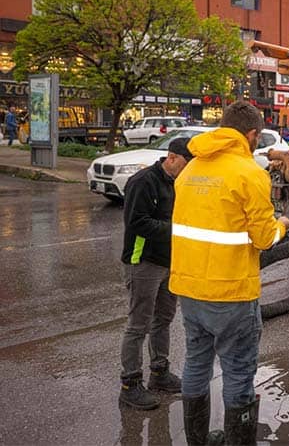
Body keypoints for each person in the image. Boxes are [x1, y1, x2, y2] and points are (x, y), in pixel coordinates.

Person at [169, 101, 289, 445]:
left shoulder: (191, 170)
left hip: (189, 289)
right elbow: (265, 238)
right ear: (252, 135)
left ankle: (198, 440)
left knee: (196, 364)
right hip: (231, 293)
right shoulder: (249, 172)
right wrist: (283, 225)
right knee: (238, 373)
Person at [118, 137, 194, 410]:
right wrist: (177, 229)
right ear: (171, 158)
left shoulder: (179, 183)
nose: (189, 170)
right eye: (186, 164)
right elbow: (137, 223)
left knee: (163, 319)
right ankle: (130, 384)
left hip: (169, 262)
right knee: (138, 325)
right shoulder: (143, 182)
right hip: (143, 262)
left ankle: (159, 373)